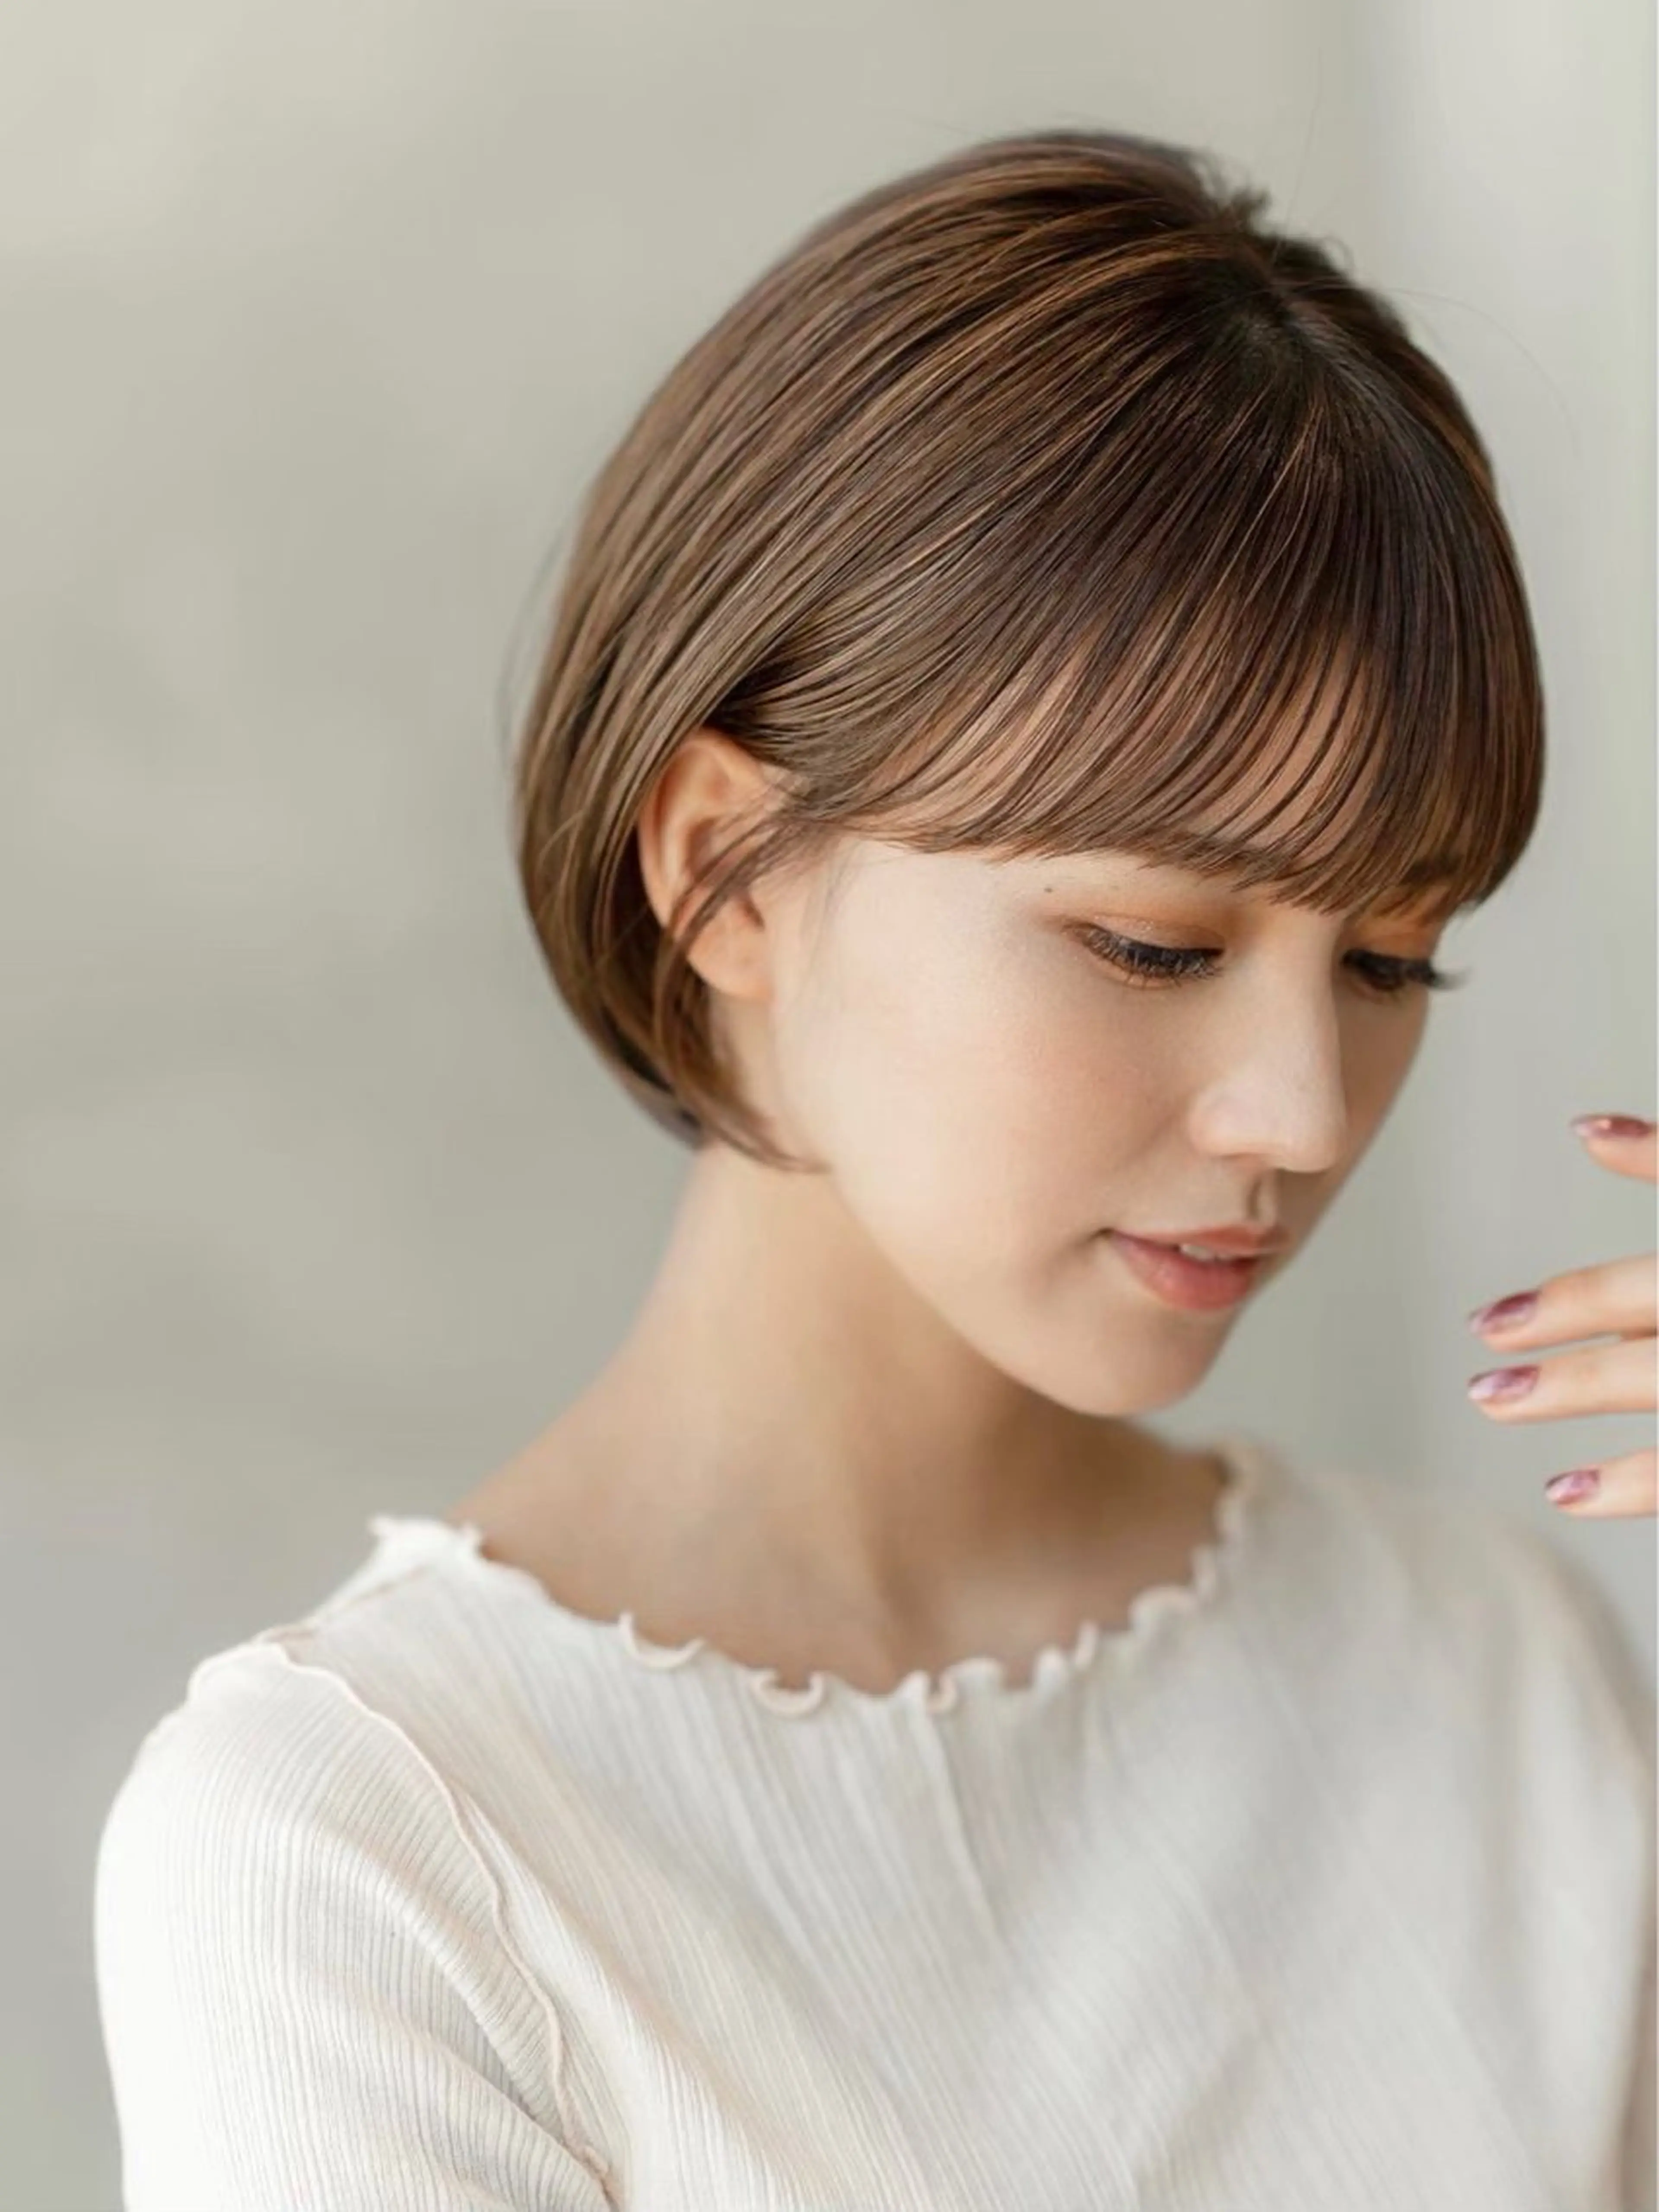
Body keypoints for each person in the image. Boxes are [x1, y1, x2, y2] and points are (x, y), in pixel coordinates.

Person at [92, 128, 1656, 2211]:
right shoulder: (365, 1850)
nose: (1303, 1109)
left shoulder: (1495, 1672)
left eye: (1385, 958)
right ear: (725, 867)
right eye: (1154, 944)